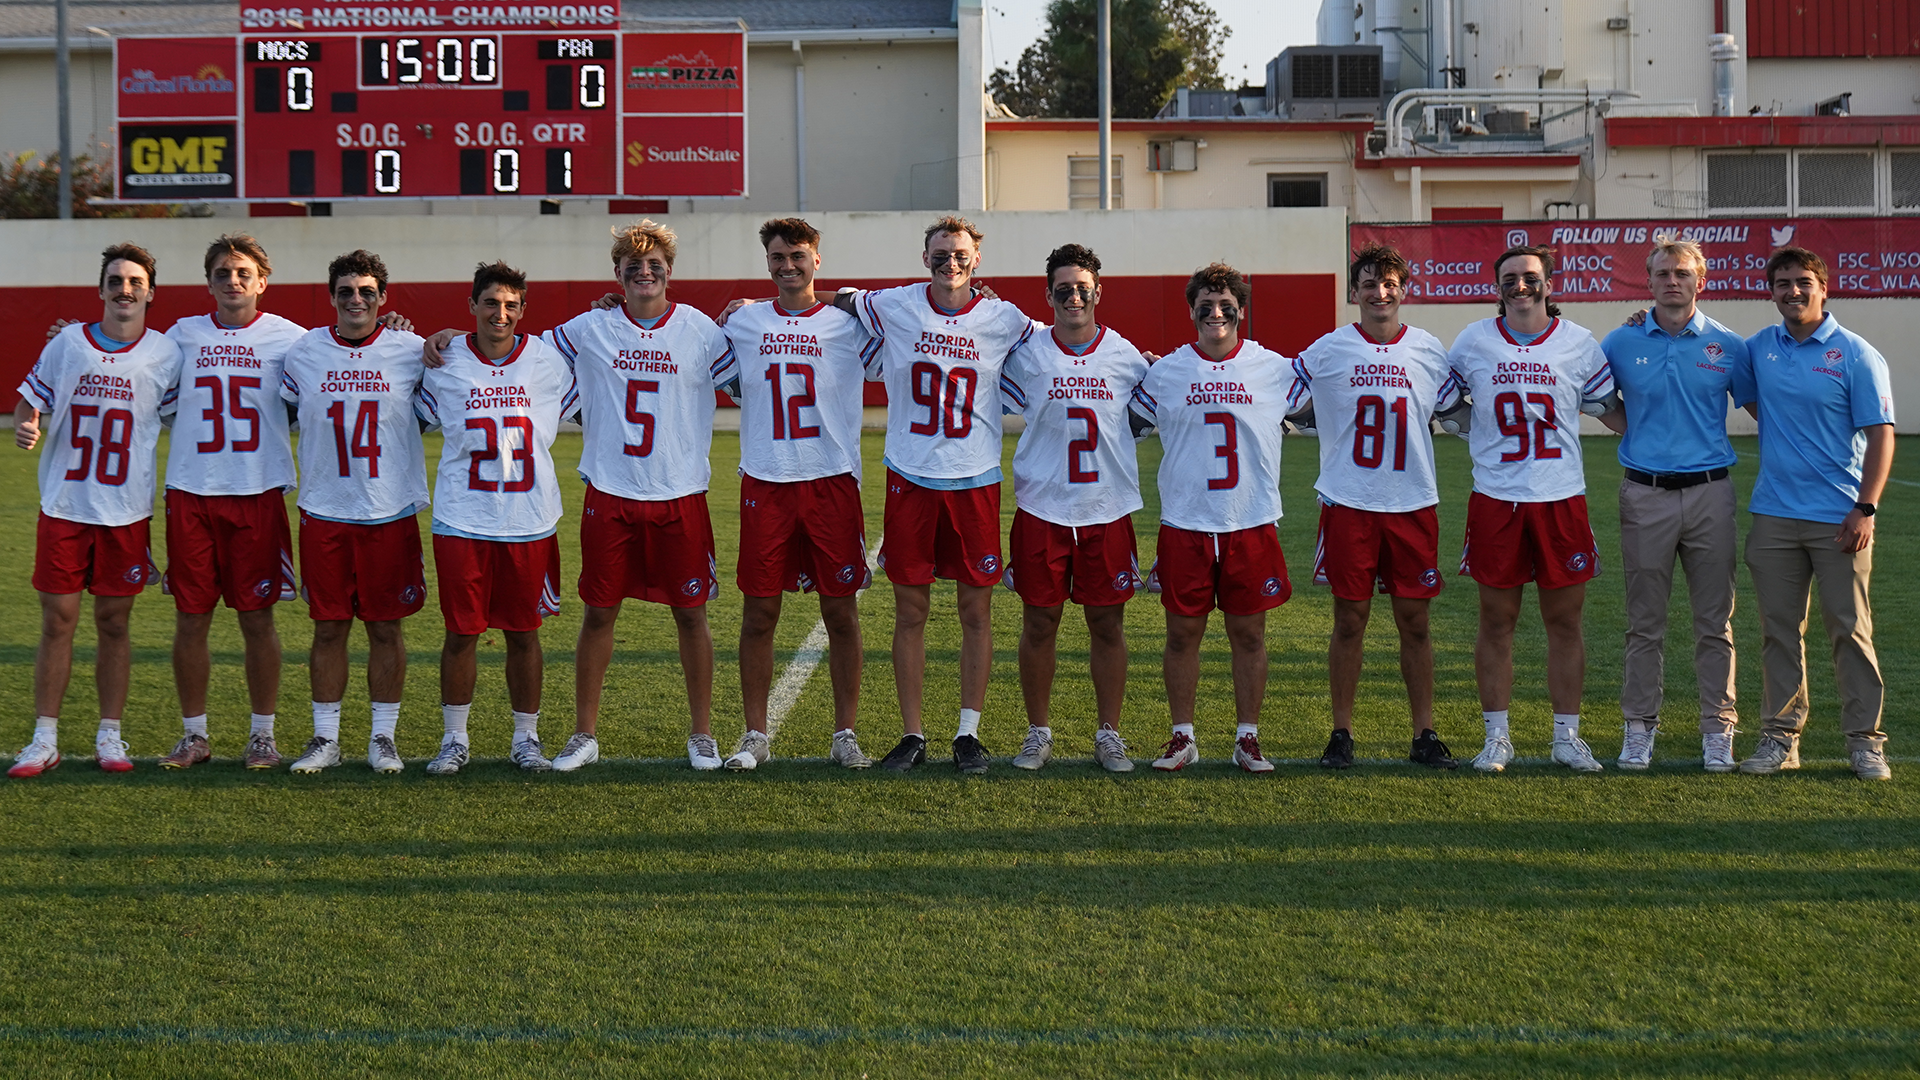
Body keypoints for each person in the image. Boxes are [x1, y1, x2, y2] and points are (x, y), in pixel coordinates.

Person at [838, 216, 1035, 774]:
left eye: (961, 254)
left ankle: (967, 733)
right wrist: (751, 305)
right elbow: (836, 299)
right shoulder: (897, 304)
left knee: (976, 609)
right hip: (910, 476)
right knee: (911, 610)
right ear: (924, 257)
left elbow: (1057, 346)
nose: (951, 262)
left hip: (974, 479)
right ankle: (913, 734)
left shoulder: (1005, 318)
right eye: (941, 253)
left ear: (977, 260)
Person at [546, 221, 737, 771]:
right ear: (618, 273)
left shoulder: (700, 330)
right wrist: (442, 339)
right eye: (633, 264)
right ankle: (585, 733)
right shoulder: (590, 327)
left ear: (670, 271)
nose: (645, 271)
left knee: (691, 615)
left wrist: (747, 310)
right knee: (599, 614)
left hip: (679, 493)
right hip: (611, 492)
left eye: (654, 263)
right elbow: (519, 352)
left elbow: (746, 376)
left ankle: (702, 733)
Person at [9, 243, 182, 777]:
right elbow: (29, 396)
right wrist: (27, 421)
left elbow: (185, 418)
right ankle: (44, 738)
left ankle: (111, 735)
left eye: (135, 281)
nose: (124, 289)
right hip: (65, 503)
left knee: (113, 621)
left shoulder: (167, 354)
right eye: (115, 280)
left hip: (125, 510)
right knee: (57, 621)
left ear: (150, 292)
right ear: (101, 288)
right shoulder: (67, 343)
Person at [1288, 245, 1461, 770]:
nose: (1379, 293)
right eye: (1369, 283)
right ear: (1355, 291)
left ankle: (1424, 733)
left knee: (1416, 622)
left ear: (1404, 290)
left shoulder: (1430, 350)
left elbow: (1457, 412)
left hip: (1411, 501)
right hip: (1350, 502)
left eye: (1389, 283)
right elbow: (1281, 396)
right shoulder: (1328, 349)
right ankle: (1341, 732)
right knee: (1349, 620)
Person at [1447, 245, 1617, 774]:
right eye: (1510, 278)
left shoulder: (1579, 344)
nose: (1521, 286)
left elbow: (1610, 411)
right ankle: (1497, 736)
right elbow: (1448, 406)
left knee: (1564, 622)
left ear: (1548, 282)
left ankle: (1566, 737)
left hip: (1560, 496)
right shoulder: (1474, 341)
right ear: (1497, 286)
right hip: (1497, 499)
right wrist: (1478, 436)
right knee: (1496, 621)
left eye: (1530, 277)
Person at [718, 218, 876, 770]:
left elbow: (917, 317)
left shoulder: (848, 323)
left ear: (817, 259)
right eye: (779, 257)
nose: (789, 266)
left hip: (832, 479)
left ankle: (845, 733)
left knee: (841, 614)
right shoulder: (743, 322)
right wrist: (606, 306)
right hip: (766, 478)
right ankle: (755, 732)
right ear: (767, 262)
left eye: (798, 256)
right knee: (759, 613)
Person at [1733, 246, 1894, 781]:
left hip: (1840, 517)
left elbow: (1880, 436)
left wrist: (1865, 507)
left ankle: (1865, 742)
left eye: (1803, 282)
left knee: (1850, 630)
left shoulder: (1856, 352)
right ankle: (1780, 740)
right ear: (1771, 291)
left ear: (1823, 288)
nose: (1793, 291)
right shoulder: (1758, 349)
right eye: (1782, 283)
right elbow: (1753, 399)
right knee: (1779, 632)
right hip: (1774, 516)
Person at [413, 262, 577, 775]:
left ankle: (525, 738)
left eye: (510, 305)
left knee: (524, 632)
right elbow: (412, 417)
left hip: (529, 518)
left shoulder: (548, 360)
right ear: (472, 307)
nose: (499, 313)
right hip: (463, 517)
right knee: (461, 632)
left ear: (523, 311)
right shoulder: (445, 359)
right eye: (490, 303)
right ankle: (454, 739)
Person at [1130, 262, 1292, 774]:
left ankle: (1248, 738)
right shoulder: (1166, 371)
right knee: (1182, 635)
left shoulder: (1275, 368)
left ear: (1241, 311)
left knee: (1249, 636)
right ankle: (1183, 737)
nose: (1216, 312)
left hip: (1250, 520)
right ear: (1191, 310)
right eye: (1206, 304)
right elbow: (1130, 418)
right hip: (1187, 522)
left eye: (1226, 304)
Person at [154, 235, 306, 771]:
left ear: (263, 281)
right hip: (192, 493)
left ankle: (262, 736)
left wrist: (406, 332)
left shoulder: (292, 339)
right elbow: (135, 373)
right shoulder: (181, 337)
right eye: (222, 273)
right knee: (191, 619)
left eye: (243, 272)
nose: (233, 281)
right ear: (209, 282)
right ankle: (193, 734)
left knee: (257, 620)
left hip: (256, 492)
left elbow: (352, 353)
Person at [997, 243, 1149, 773]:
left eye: (1083, 288)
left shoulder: (1127, 357)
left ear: (1098, 292)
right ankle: (1038, 732)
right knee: (1040, 624)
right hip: (1042, 508)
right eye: (1063, 289)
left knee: (1107, 625)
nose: (1074, 297)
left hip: (1105, 509)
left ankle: (1109, 733)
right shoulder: (1029, 354)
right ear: (1048, 296)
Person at [279, 250, 430, 774]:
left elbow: (472, 354)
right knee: (328, 628)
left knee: (386, 629)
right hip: (324, 508)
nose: (357, 299)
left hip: (388, 509)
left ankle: (382, 737)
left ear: (383, 298)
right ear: (332, 298)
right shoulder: (303, 351)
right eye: (346, 291)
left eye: (367, 291)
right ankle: (326, 738)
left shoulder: (411, 348)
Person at [1599, 238, 1748, 772]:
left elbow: (1763, 407)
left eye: (1682, 273)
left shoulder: (1730, 346)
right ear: (1650, 280)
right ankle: (1639, 728)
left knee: (1715, 622)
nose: (1671, 281)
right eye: (1662, 273)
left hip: (1711, 492)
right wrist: (1639, 434)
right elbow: (1599, 402)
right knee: (1645, 623)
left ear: (1699, 280)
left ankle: (1718, 730)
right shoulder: (1620, 341)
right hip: (1644, 494)